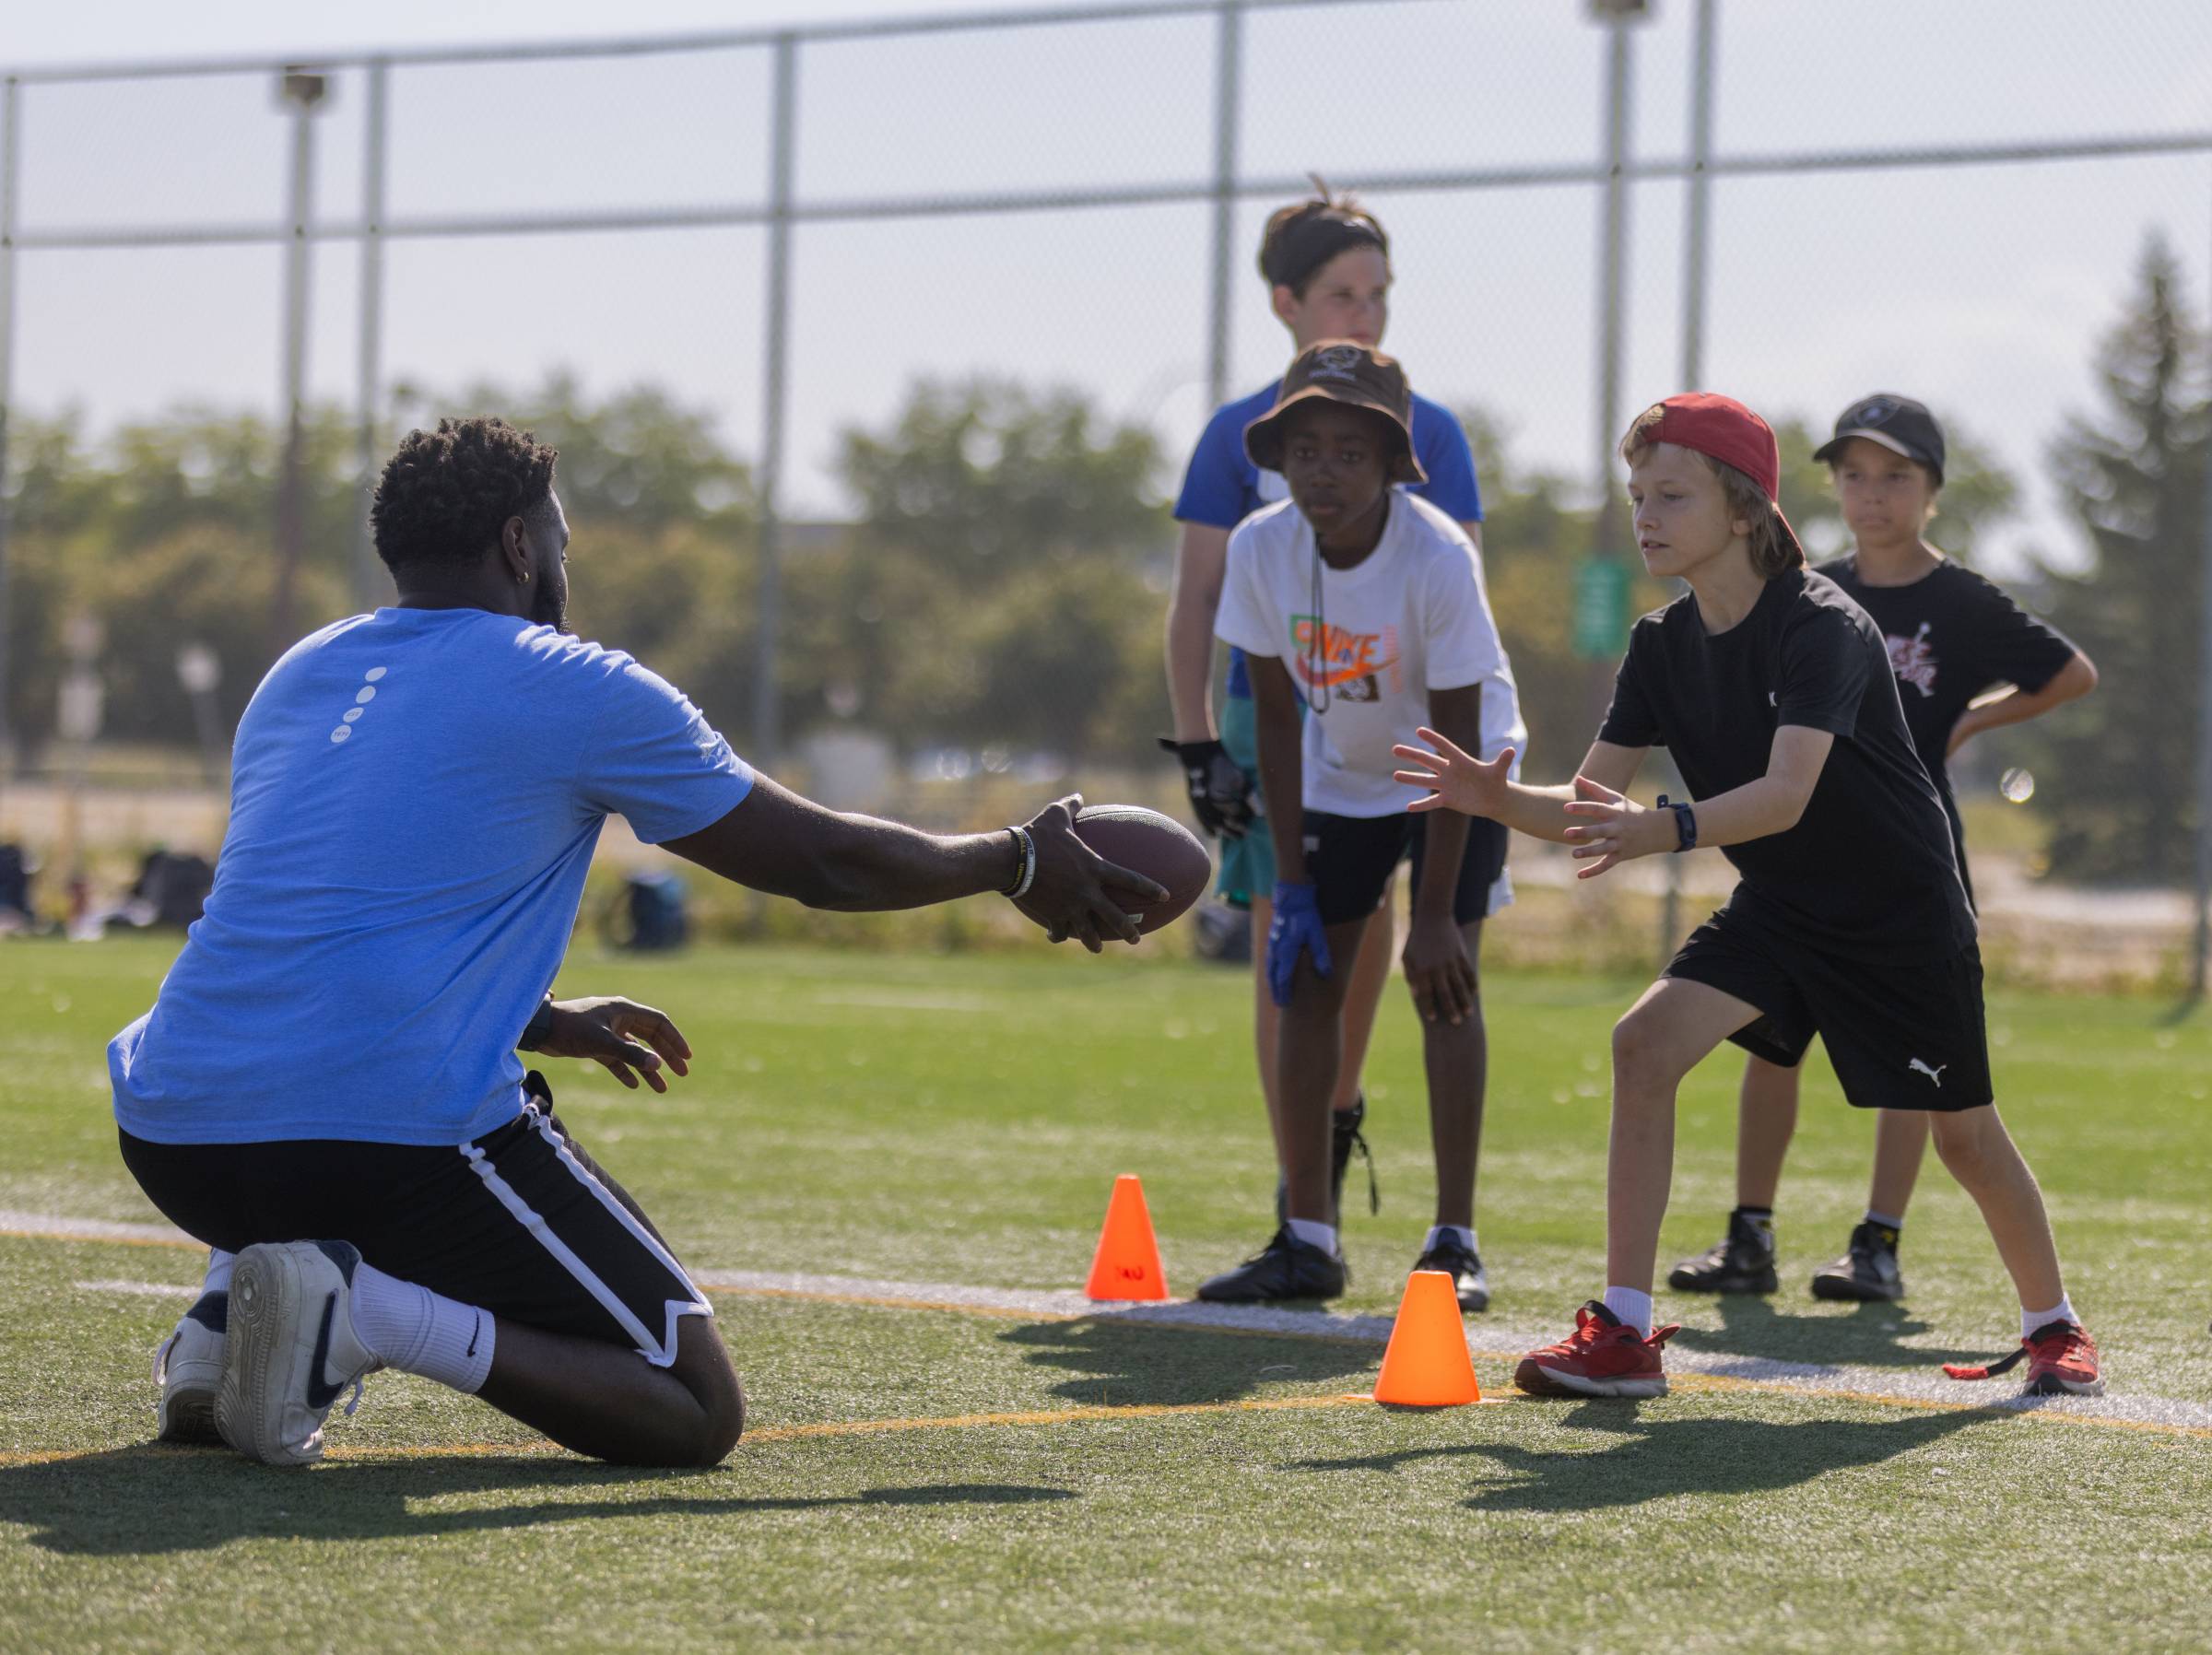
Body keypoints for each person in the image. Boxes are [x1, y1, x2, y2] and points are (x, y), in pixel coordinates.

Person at [123, 417, 1165, 1468]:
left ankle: (221, 1315)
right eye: (561, 540)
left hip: (177, 1132)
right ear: (520, 544)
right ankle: (363, 1315)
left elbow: (314, 922)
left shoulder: (301, 671)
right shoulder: (572, 679)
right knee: (691, 1406)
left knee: (298, 1090)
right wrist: (1016, 860)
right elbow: (820, 860)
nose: (566, 566)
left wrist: (533, 1017)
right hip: (378, 1144)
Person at [1394, 393, 2100, 1399]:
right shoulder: (1658, 644)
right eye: (1637, 493)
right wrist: (1494, 795)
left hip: (1897, 915)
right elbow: (1595, 804)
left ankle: (2055, 1326)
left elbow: (1784, 794)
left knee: (1965, 1136)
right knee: (1643, 1045)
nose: (1645, 514)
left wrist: (1668, 828)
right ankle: (1626, 1333)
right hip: (1783, 906)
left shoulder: (1824, 625)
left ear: (1744, 506)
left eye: (1671, 494)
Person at [1669, 394, 2097, 1305]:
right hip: (1799, 858)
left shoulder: (1960, 599)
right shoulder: (1808, 591)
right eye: (1854, 475)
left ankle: (1879, 1239)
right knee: (1767, 1042)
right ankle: (1750, 1233)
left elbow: (2072, 671)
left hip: (1907, 858)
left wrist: (1975, 718)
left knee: (1913, 1056)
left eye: (1896, 475)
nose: (1872, 495)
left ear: (1932, 490)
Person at [1162, 182, 1488, 1235]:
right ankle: (1299, 1184)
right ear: (1286, 302)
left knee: (1392, 926)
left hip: (1405, 714)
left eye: (1379, 294)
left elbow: (1455, 639)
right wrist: (1199, 743)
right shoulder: (1239, 436)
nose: (1365, 312)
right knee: (1286, 935)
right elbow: (1202, 604)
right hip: (1285, 714)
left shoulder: (1427, 429)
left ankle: (1345, 1130)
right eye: (1343, 293)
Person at [1200, 341, 1522, 1308]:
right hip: (1341, 772)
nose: (1323, 470)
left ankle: (1454, 1239)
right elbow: (1277, 716)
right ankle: (1308, 1236)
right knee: (1306, 981)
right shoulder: (1261, 546)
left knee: (1444, 984)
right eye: (1304, 448)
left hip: (1460, 771)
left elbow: (1459, 734)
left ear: (1390, 463)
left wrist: (1429, 913)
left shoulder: (1434, 554)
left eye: (1349, 450)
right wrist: (1290, 879)